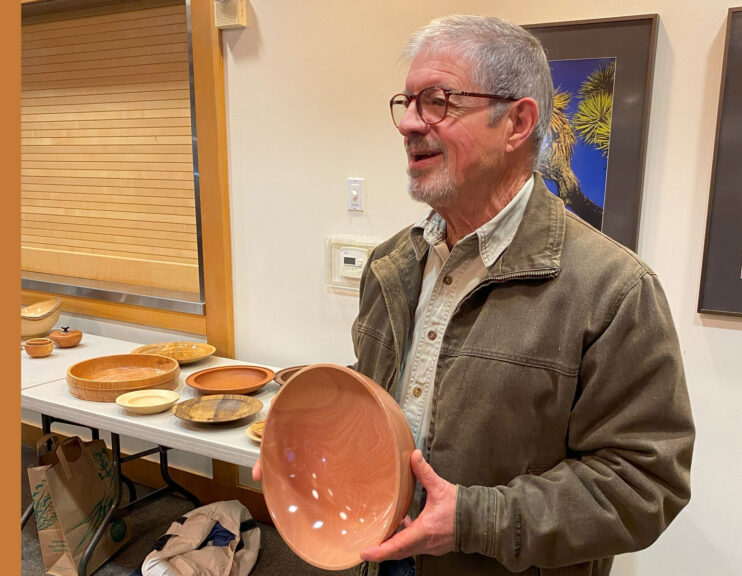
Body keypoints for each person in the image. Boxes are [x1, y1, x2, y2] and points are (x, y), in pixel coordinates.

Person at [254, 14, 694, 576]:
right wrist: (315, 432)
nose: (409, 123)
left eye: (437, 101)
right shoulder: (393, 261)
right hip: (376, 552)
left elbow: (645, 484)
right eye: (407, 102)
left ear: (517, 122)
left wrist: (475, 519)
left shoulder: (615, 290)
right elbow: (392, 394)